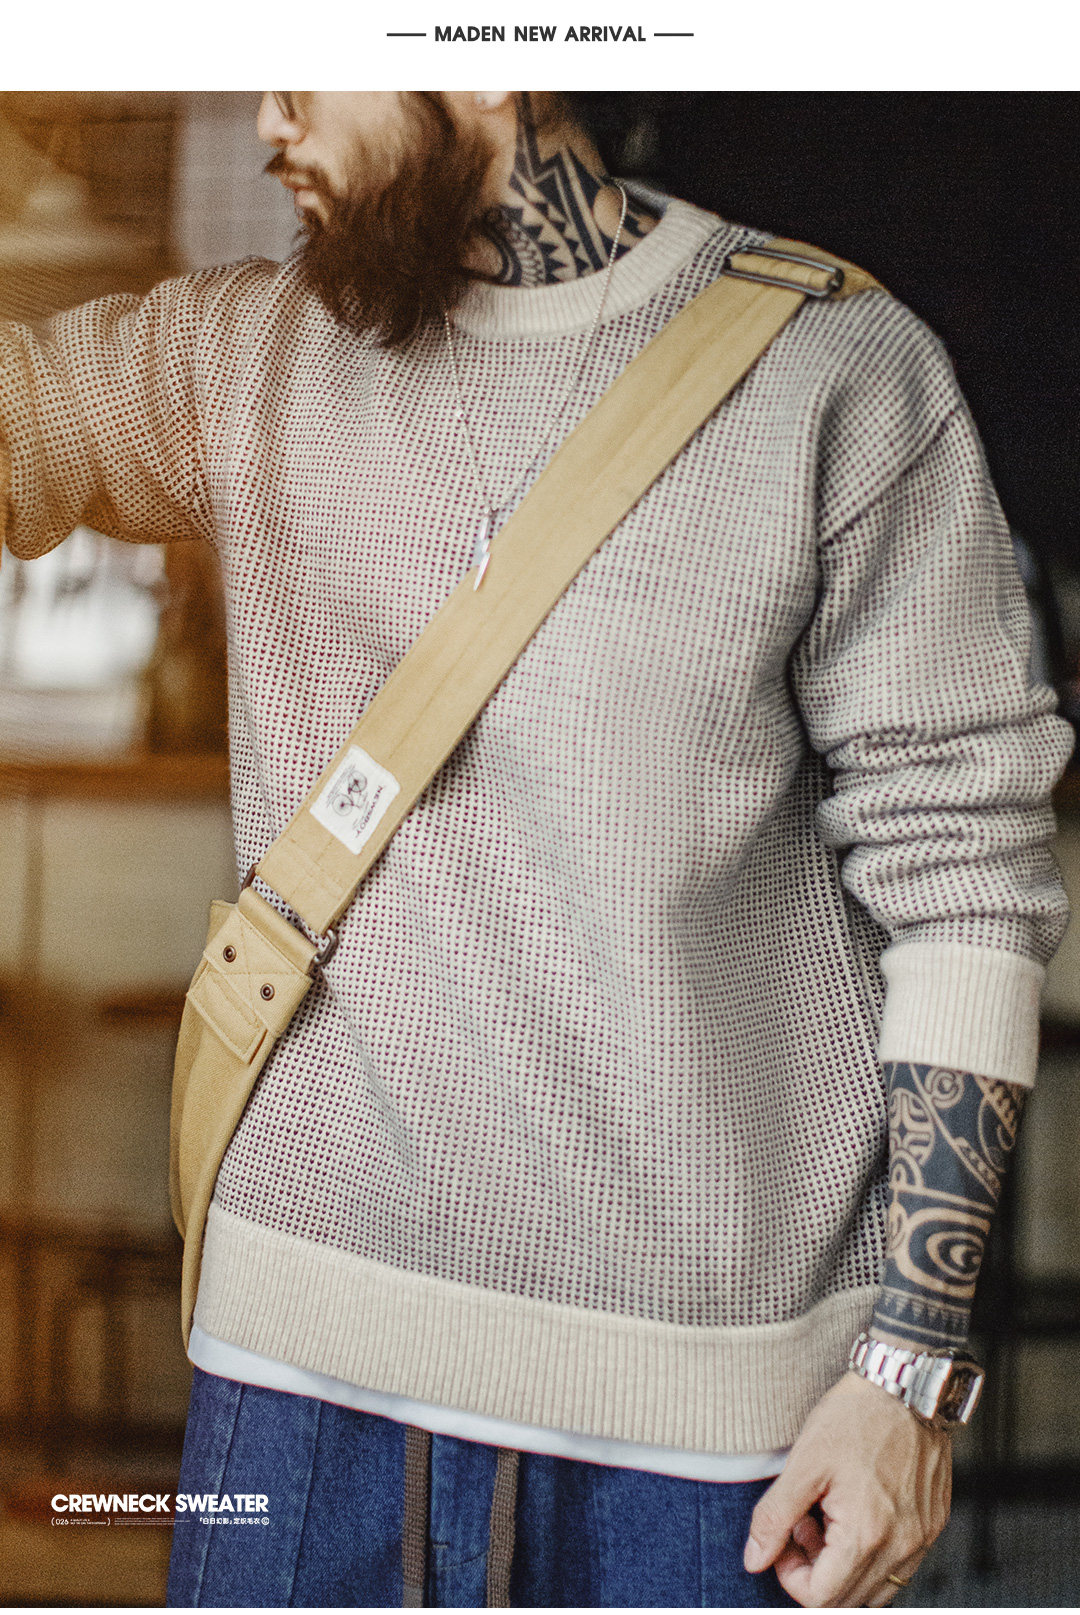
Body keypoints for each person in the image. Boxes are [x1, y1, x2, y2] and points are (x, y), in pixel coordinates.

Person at [0, 90, 1071, 1609]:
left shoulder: (836, 371)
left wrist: (908, 1370)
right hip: (292, 1394)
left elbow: (966, 880)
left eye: (311, 59)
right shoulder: (243, 354)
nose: (267, 117)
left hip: (707, 1448)